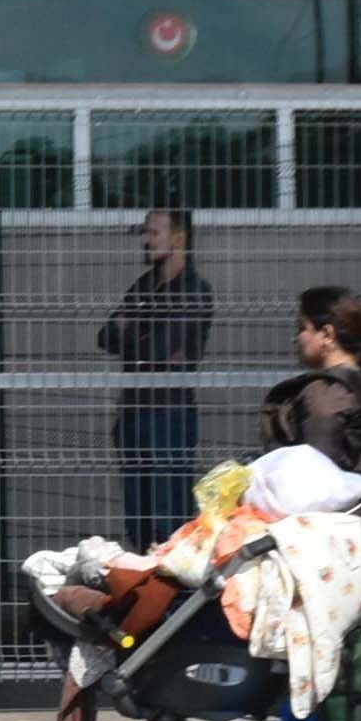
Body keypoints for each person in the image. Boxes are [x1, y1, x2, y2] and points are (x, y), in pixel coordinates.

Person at [101, 205, 214, 550]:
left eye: (154, 233)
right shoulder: (144, 284)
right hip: (135, 410)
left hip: (169, 414)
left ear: (179, 237)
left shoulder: (194, 290)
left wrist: (132, 328)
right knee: (139, 516)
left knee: (168, 518)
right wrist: (142, 336)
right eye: (145, 233)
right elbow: (105, 336)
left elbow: (160, 351)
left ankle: (174, 600)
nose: (146, 241)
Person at [262, 287, 361, 469]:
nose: (296, 338)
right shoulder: (353, 385)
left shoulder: (325, 392)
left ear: (327, 334)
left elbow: (316, 478)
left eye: (302, 328)